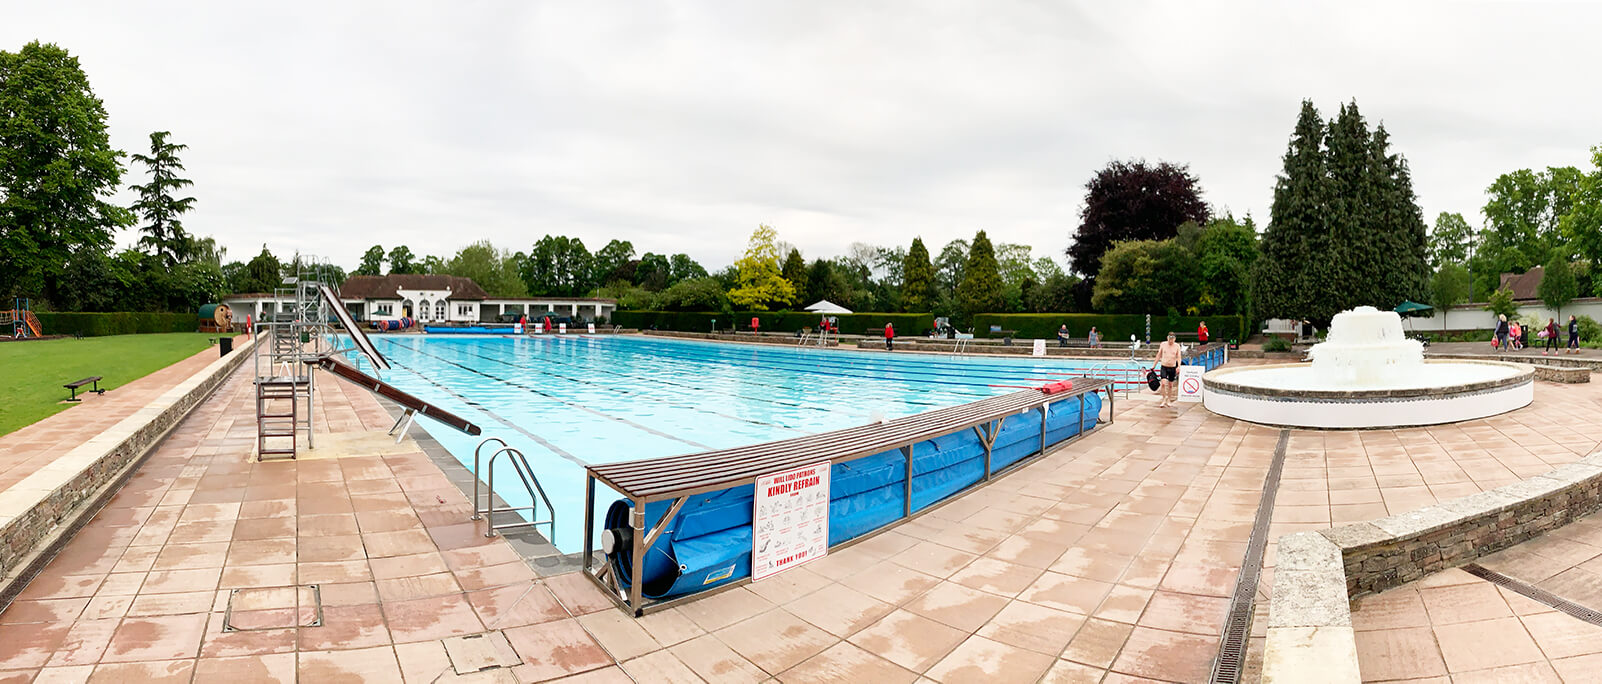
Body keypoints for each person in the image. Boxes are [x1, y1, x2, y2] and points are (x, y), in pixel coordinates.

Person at [1153, 331, 1183, 408]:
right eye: (1169, 339)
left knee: (1170, 385)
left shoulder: (1177, 346)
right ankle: (1163, 399)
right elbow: (1158, 355)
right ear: (1167, 338)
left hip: (1172, 367)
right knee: (1163, 383)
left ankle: (1168, 399)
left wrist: (1178, 366)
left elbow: (1178, 357)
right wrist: (1154, 365)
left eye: (1172, 339)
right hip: (1164, 366)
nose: (1171, 341)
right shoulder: (1163, 344)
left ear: (1174, 339)